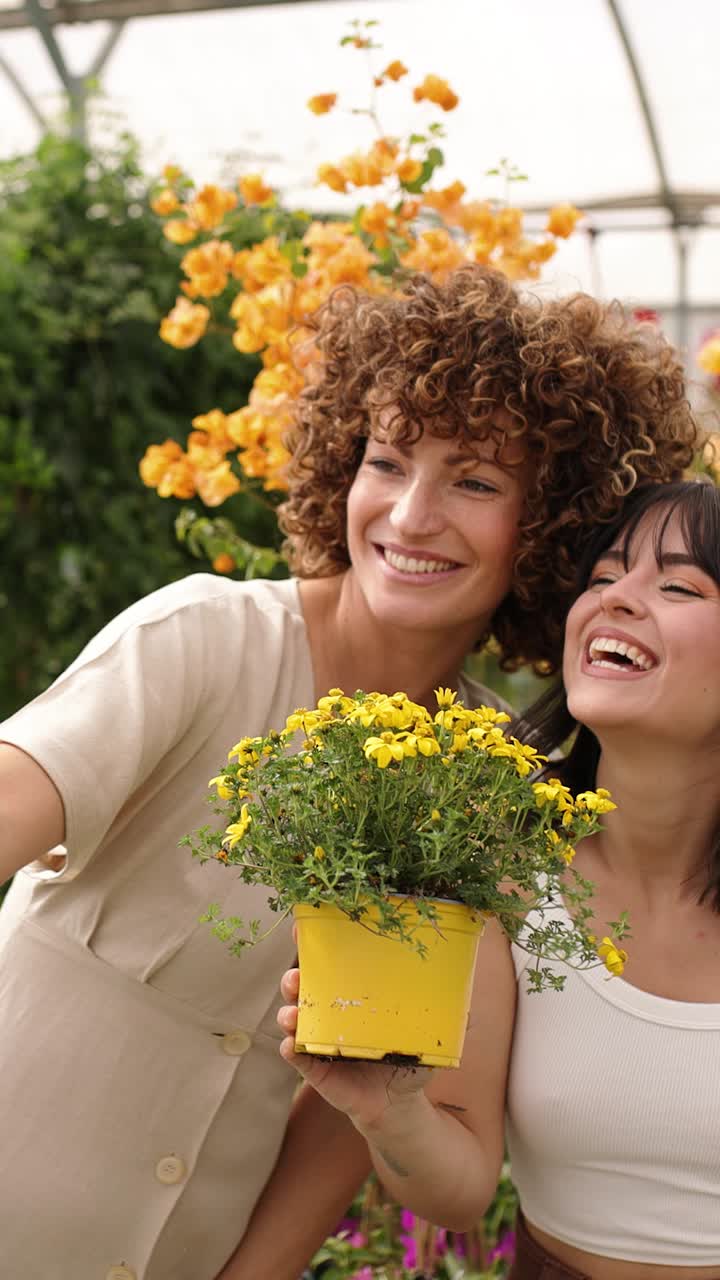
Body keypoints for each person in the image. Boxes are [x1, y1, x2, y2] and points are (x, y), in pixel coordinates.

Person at [0, 264, 698, 1280]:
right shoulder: (205, 638)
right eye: (386, 461)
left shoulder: (490, 783)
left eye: (475, 480)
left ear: (549, 525)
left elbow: (362, 1105)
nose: (412, 516)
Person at [277, 478, 720, 1280]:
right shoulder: (501, 861)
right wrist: (393, 1111)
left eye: (679, 585)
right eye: (601, 577)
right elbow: (456, 1192)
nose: (615, 600)